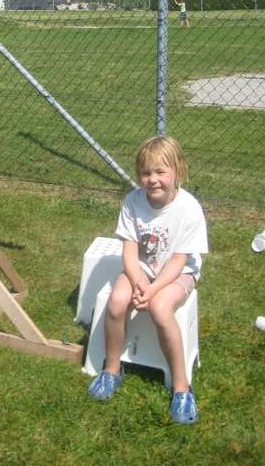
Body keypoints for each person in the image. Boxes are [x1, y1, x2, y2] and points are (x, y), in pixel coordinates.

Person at [87, 136, 208, 425]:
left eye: (160, 172)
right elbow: (129, 250)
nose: (152, 180)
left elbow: (179, 261)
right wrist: (138, 280)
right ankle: (112, 369)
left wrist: (152, 290)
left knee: (161, 308)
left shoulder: (189, 208)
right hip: (142, 269)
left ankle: (181, 387)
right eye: (145, 173)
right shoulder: (133, 201)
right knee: (117, 300)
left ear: (178, 170)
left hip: (180, 272)